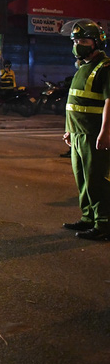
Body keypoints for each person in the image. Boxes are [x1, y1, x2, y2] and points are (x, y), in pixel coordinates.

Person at [61, 19, 110, 241]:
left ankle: (104, 224)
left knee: (96, 180)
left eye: (83, 41)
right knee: (82, 179)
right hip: (78, 134)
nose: (77, 45)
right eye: (75, 41)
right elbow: (74, 103)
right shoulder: (82, 67)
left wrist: (105, 132)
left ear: (96, 43)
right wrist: (69, 130)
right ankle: (88, 217)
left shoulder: (105, 68)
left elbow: (109, 102)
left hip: (93, 134)